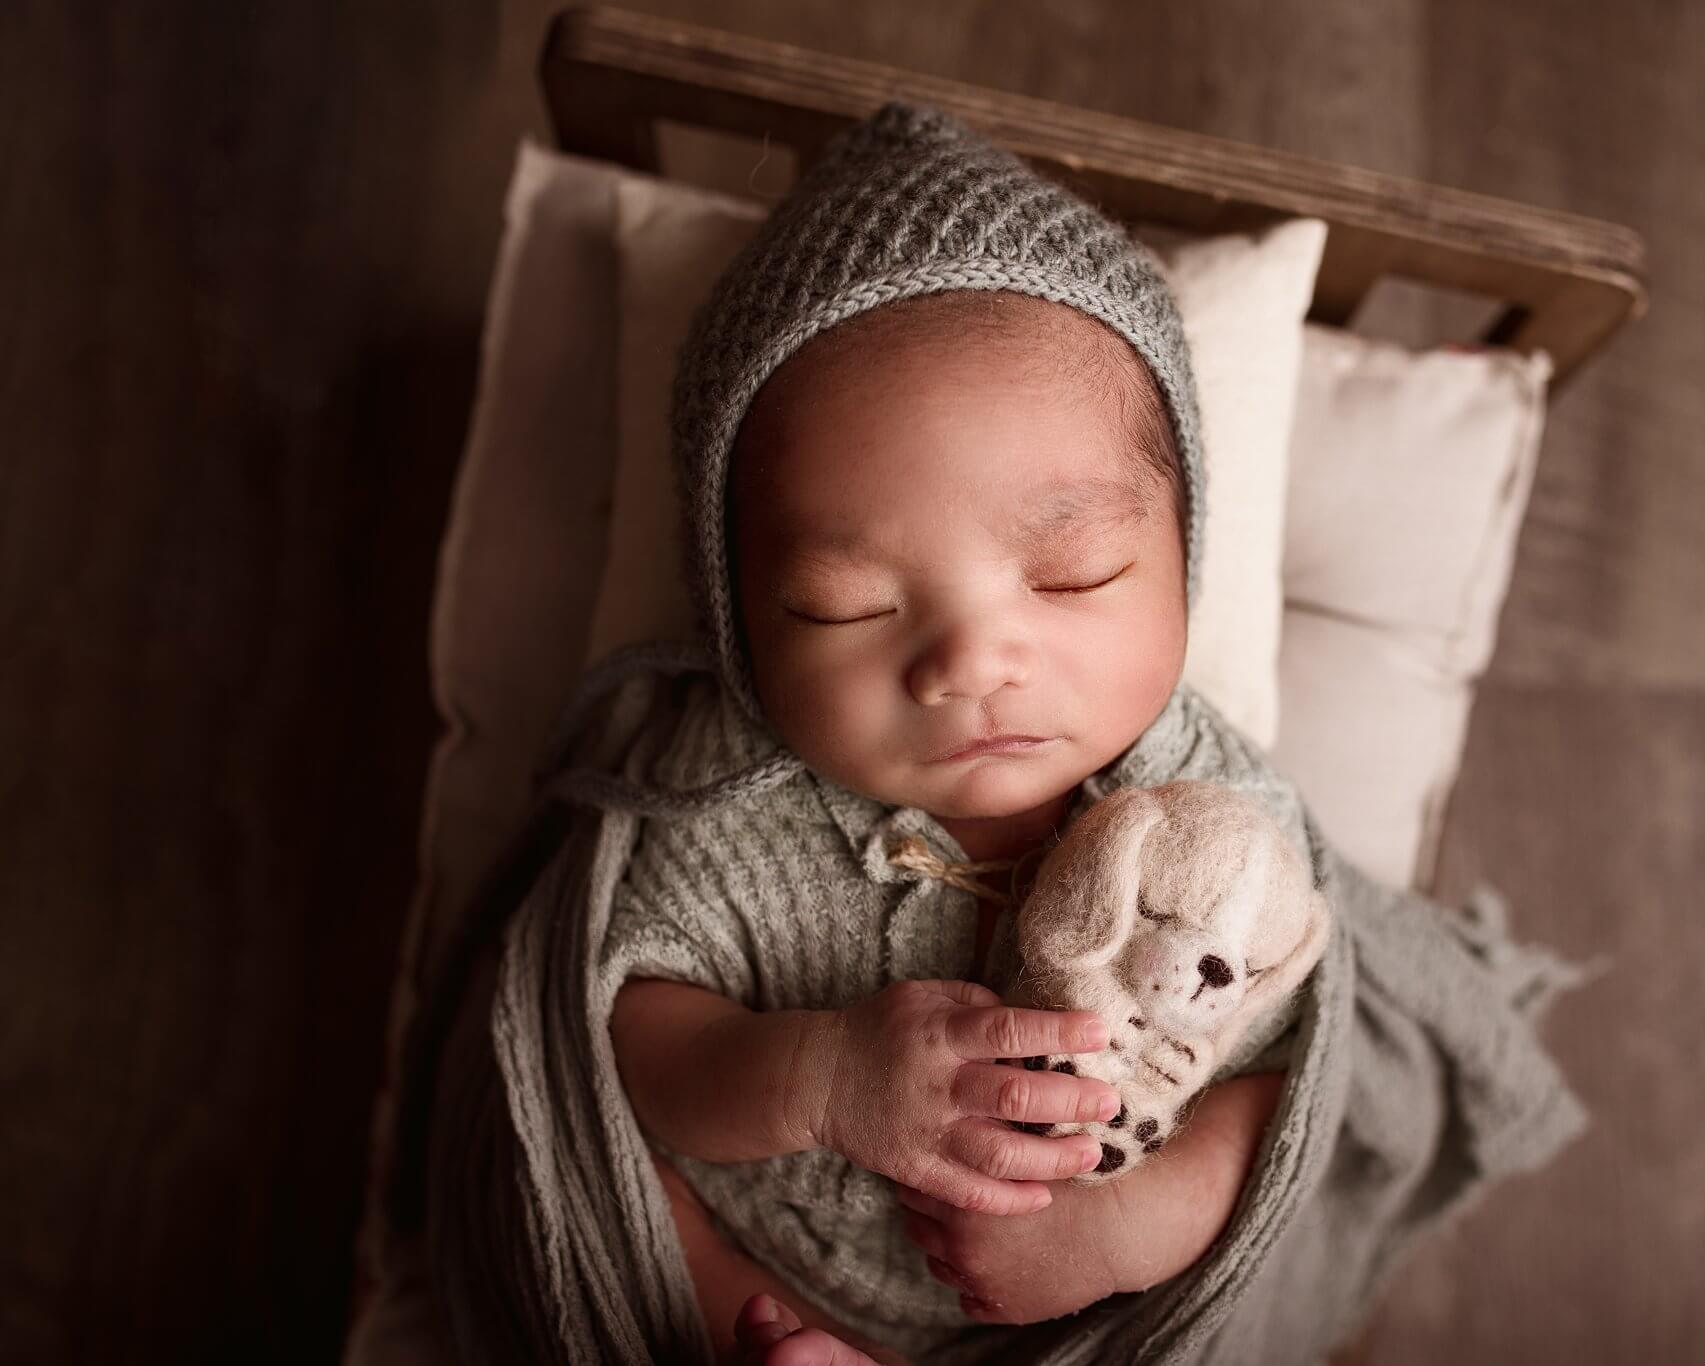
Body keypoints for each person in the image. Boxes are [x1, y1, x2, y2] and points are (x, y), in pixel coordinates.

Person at [421, 101, 1587, 1366]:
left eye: (1075, 573)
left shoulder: (1210, 816)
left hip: (1058, 1312)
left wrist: (1131, 1225)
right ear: (737, 620)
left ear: (1182, 562)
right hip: (757, 1274)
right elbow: (630, 1048)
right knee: (618, 1187)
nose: (972, 662)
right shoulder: (728, 801)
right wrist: (815, 1077)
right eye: (843, 603)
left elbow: (1290, 1081)